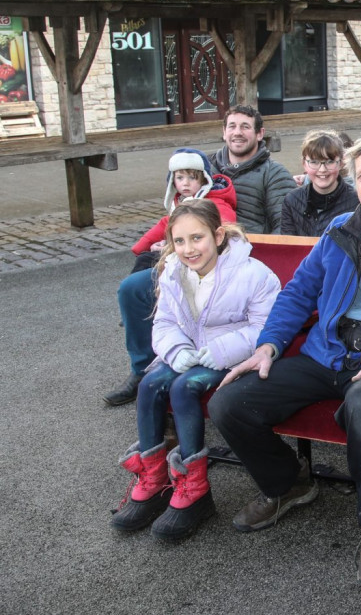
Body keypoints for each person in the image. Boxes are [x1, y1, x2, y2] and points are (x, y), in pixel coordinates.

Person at [207, 134, 361, 589]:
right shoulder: (338, 228)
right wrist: (269, 345)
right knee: (229, 403)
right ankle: (290, 483)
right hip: (327, 355)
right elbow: (299, 292)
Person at [110, 200, 281, 540]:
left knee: (184, 387)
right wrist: (176, 349)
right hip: (188, 350)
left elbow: (264, 328)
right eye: (180, 241)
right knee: (150, 384)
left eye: (197, 238)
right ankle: (155, 478)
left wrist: (216, 351)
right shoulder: (173, 271)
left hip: (231, 355)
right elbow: (165, 321)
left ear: (218, 235)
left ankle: (194, 490)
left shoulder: (253, 273)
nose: (189, 249)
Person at [104, 148, 238, 407]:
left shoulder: (216, 202)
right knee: (131, 288)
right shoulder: (179, 204)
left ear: (203, 178)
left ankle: (180, 365)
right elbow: (163, 226)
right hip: (175, 261)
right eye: (179, 178)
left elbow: (226, 232)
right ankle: (142, 369)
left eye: (191, 178)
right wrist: (144, 247)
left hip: (207, 265)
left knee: (156, 285)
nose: (185, 183)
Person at [211, 105, 296, 234]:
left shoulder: (275, 174)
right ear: (224, 132)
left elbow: (285, 227)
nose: (237, 132)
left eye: (245, 127)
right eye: (232, 126)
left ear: (260, 134)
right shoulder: (204, 168)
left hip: (253, 250)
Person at [280, 130, 356, 236]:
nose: (322, 169)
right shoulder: (292, 201)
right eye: (314, 162)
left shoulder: (357, 201)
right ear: (304, 164)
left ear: (341, 163)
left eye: (330, 162)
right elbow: (288, 245)